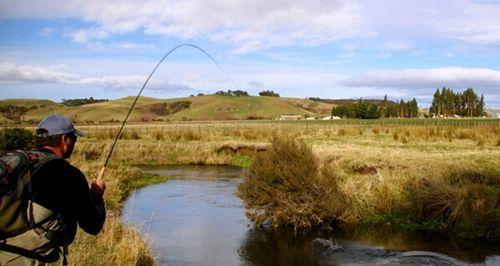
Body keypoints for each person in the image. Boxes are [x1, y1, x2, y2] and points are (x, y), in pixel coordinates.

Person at [0, 114, 106, 265]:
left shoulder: (20, 164)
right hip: (26, 260)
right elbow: (93, 225)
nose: (74, 143)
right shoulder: (68, 174)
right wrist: (96, 194)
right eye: (74, 139)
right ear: (64, 140)